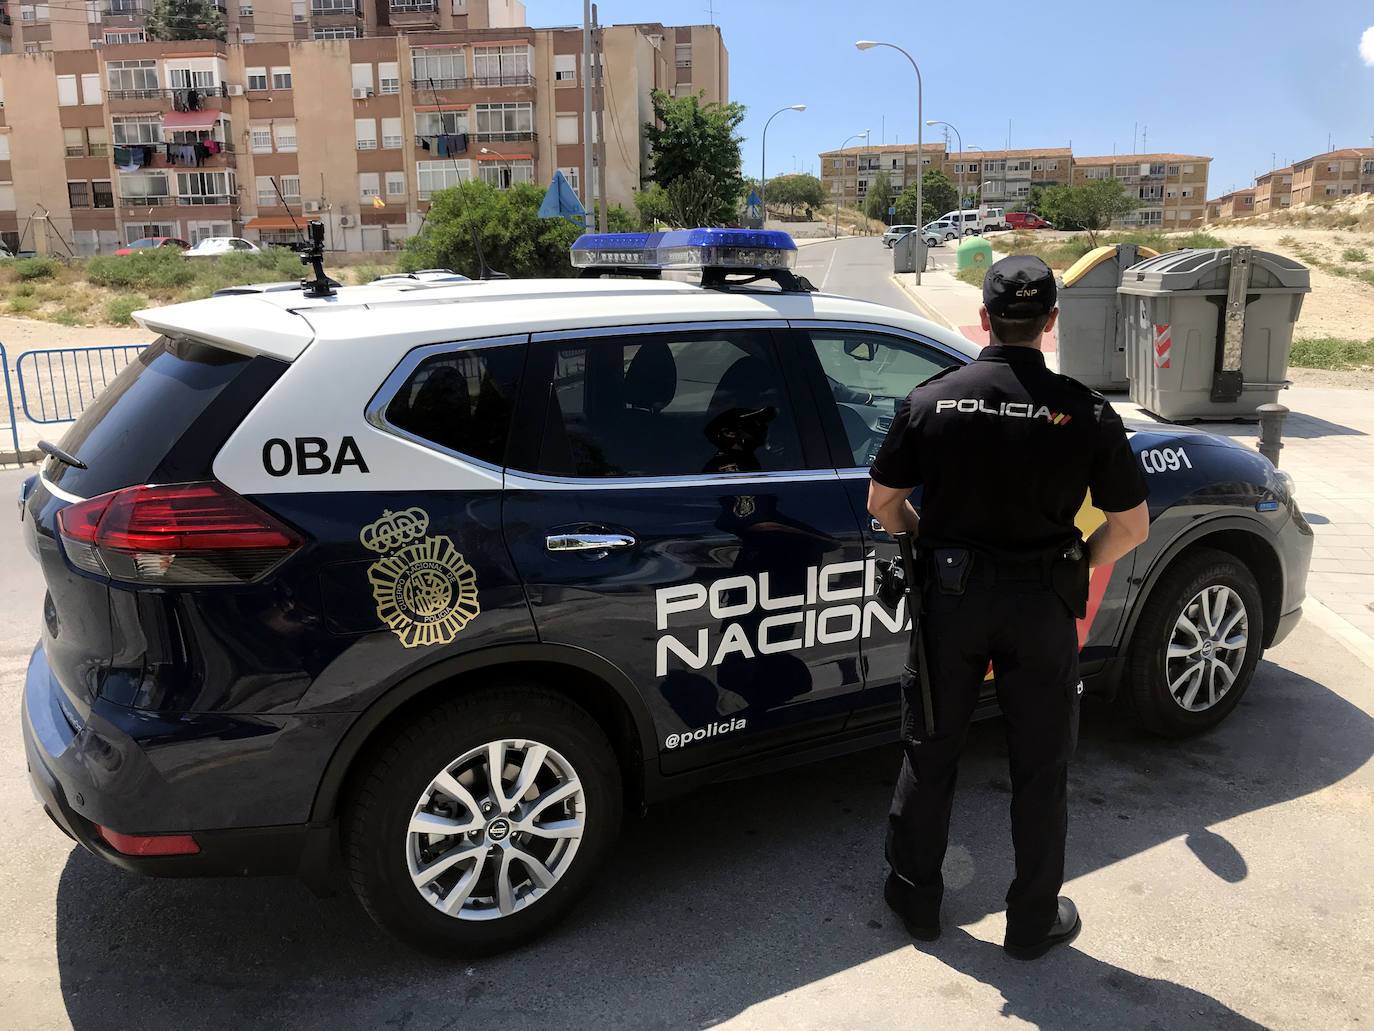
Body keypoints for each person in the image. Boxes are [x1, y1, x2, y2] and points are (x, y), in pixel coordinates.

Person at [867, 254, 1150, 960]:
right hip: (1042, 608)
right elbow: (1132, 525)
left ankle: (917, 897)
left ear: (985, 318)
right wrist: (1077, 560)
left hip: (952, 603)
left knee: (931, 749)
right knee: (1041, 764)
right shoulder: (1085, 412)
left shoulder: (932, 400)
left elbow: (883, 504)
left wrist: (930, 541)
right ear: (1049, 323)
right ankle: (1030, 922)